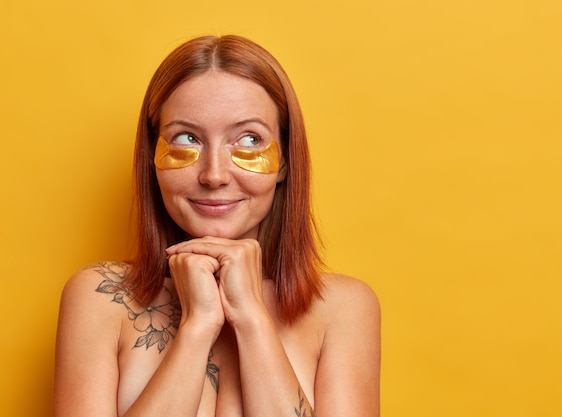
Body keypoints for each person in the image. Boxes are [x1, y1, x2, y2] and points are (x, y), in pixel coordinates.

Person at [54, 34, 380, 417]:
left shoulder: (343, 309)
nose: (214, 175)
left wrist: (251, 318)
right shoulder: (99, 300)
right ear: (152, 157)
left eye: (248, 139)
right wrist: (198, 326)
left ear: (285, 161)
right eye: (187, 138)